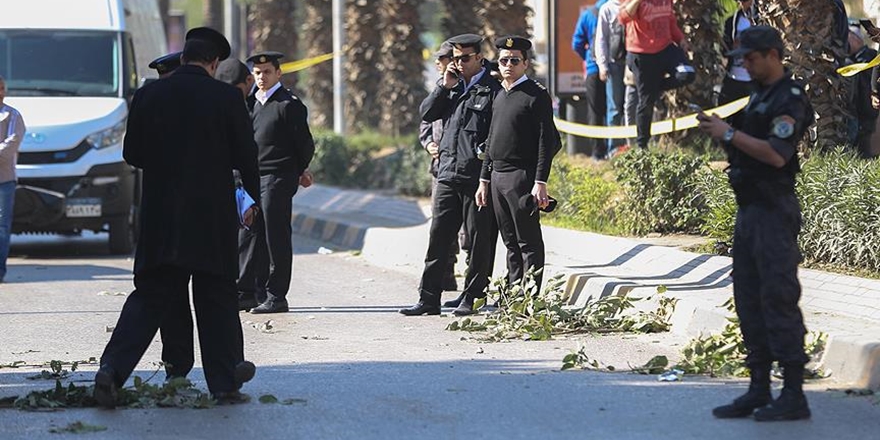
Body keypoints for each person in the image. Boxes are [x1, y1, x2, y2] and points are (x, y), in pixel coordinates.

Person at [94, 27, 260, 408]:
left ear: (183, 57)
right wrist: (254, 200)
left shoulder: (149, 94)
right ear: (214, 63)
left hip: (161, 218)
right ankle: (224, 384)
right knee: (216, 296)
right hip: (210, 219)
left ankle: (111, 371)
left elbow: (132, 153)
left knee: (150, 296)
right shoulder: (225, 97)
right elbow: (246, 156)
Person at [697, 25, 813, 422]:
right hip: (749, 211)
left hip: (773, 210)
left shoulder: (789, 98)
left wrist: (728, 132)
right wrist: (723, 133)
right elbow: (746, 144)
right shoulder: (759, 96)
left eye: (750, 57)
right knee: (748, 300)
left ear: (771, 55)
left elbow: (777, 155)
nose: (744, 64)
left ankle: (793, 393)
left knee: (777, 298)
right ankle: (758, 388)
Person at [400, 33, 501, 317]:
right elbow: (427, 114)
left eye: (465, 58)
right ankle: (428, 298)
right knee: (439, 238)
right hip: (446, 173)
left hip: (475, 176)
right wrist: (444, 86)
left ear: (479, 58)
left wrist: (486, 176)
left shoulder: (492, 89)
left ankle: (472, 297)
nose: (459, 63)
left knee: (479, 240)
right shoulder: (450, 86)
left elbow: (495, 137)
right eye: (455, 59)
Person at [238, 51, 315, 314]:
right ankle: (251, 292)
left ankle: (276, 295)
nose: (262, 77)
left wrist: (298, 170)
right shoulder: (252, 104)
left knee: (275, 235)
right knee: (251, 233)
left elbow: (304, 145)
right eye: (257, 73)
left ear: (278, 73)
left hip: (277, 177)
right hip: (253, 178)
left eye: (267, 72)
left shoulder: (288, 104)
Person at [477, 36, 556, 293]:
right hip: (497, 176)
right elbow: (491, 140)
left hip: (521, 176)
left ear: (526, 63)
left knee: (527, 241)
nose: (508, 65)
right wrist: (484, 180)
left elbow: (548, 141)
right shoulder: (500, 95)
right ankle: (513, 295)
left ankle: (529, 298)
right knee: (509, 240)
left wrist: (540, 182)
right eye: (503, 60)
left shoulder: (536, 95)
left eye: (514, 60)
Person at [619, 0, 694, 149]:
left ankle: (653, 88)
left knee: (687, 74)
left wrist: (681, 40)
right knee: (646, 102)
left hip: (665, 48)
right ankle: (642, 145)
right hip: (641, 53)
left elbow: (670, 21)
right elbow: (623, 17)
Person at [418, 40, 460, 293]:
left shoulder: (465, 88)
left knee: (468, 230)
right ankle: (445, 276)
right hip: (440, 168)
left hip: (465, 167)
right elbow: (425, 123)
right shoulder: (439, 90)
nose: (438, 64)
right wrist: (428, 144)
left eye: (443, 59)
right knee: (441, 226)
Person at [572, 1, 609, 160]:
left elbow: (577, 43)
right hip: (616, 68)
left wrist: (588, 58)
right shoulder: (618, 8)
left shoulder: (588, 14)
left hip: (593, 69)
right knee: (616, 109)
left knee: (595, 111)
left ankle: (598, 153)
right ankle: (618, 148)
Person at [0, 76, 25, 284]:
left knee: (2, 226)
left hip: (4, 180)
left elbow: (12, 142)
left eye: (1, 88)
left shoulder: (12, 115)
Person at [595, 0, 627, 155]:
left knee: (632, 106)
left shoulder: (634, 4)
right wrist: (602, 66)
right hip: (614, 65)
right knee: (614, 107)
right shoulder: (607, 9)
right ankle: (613, 148)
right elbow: (601, 39)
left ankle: (632, 145)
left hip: (633, 63)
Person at [719, 0, 757, 127]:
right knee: (727, 117)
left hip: (753, 80)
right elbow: (724, 51)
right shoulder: (732, 21)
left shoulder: (762, 21)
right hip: (734, 78)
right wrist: (731, 47)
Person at [847, 29, 878, 158]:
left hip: (866, 113)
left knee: (863, 150)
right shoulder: (850, 60)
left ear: (857, 39)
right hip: (857, 114)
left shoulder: (869, 57)